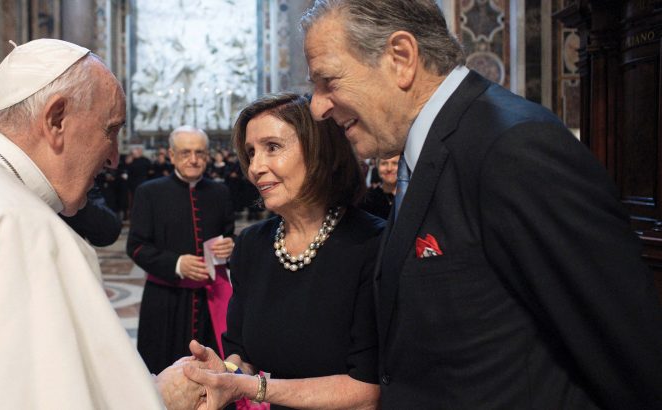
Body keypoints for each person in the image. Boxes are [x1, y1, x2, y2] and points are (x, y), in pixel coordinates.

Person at [300, 1, 662, 408]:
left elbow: (628, 355)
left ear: (400, 58)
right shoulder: (424, 152)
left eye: (327, 81)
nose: (316, 107)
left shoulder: (514, 149)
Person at [0, 38, 202, 409]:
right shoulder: (29, 231)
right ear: (56, 119)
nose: (112, 158)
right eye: (110, 131)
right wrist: (162, 397)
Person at [182, 93, 384, 410]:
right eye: (250, 153)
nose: (254, 168)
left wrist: (253, 387)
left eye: (272, 148)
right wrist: (224, 373)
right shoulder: (251, 244)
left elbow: (367, 390)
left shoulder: (374, 245)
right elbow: (242, 355)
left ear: (321, 151)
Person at [127, 126, 236, 375]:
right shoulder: (149, 192)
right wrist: (177, 264)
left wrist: (231, 247)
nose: (194, 159)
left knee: (213, 372)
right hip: (166, 300)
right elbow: (136, 247)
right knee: (164, 369)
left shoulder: (220, 192)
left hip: (211, 299)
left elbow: (229, 236)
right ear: (172, 155)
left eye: (200, 153)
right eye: (185, 152)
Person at [359, 155, 399, 219]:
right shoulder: (367, 198)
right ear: (377, 167)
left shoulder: (411, 196)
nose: (389, 168)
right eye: (384, 163)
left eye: (395, 163)